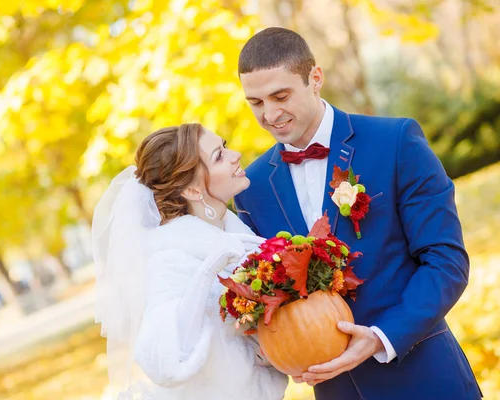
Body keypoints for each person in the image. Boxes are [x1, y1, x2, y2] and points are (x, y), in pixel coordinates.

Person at [234, 27, 482, 400]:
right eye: (255, 103)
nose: (270, 114)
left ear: (315, 78)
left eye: (280, 95)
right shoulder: (252, 187)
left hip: (423, 376)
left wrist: (382, 338)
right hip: (336, 390)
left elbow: (446, 261)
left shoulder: (396, 141)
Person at [92, 123, 288, 400]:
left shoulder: (237, 236)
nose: (235, 156)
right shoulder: (170, 257)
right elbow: (163, 358)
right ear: (194, 191)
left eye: (226, 145)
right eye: (219, 156)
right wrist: (207, 272)